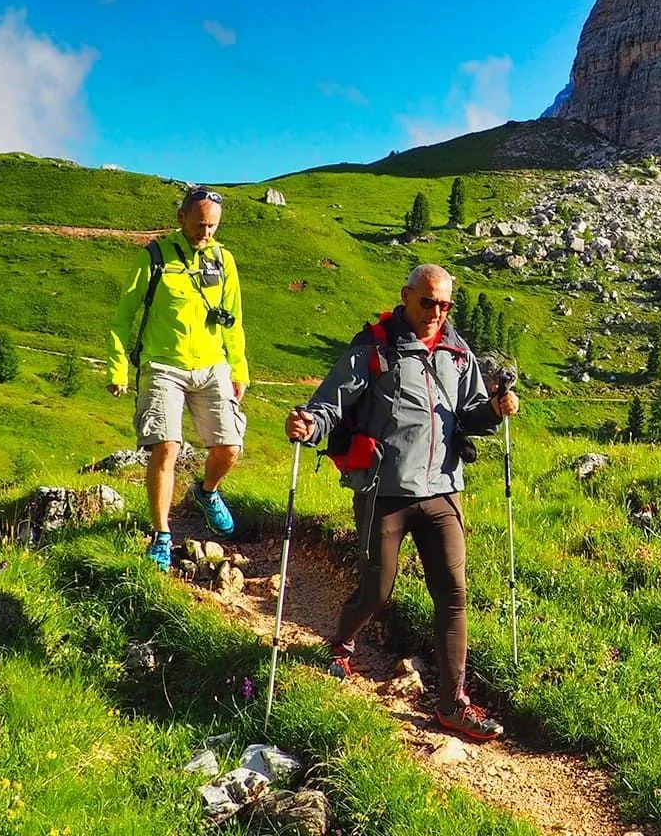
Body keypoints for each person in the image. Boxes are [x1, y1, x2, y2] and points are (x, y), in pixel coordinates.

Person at [285, 264, 519, 741]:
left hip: (441, 492)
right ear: (406, 296)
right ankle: (342, 641)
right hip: (383, 492)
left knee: (453, 595)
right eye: (429, 301)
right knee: (378, 590)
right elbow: (332, 404)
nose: (437, 312)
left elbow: (470, 414)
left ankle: (453, 703)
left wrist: (494, 410)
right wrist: (309, 425)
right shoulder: (375, 348)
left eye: (446, 304)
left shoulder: (457, 353)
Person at [107, 187, 249, 569]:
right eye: (200, 224)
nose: (206, 233)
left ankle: (206, 492)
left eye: (213, 226)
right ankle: (161, 534)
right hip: (162, 365)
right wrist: (118, 366)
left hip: (211, 365)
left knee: (229, 447)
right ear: (181, 218)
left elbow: (232, 319)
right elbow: (124, 317)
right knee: (166, 446)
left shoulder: (224, 260)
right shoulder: (153, 257)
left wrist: (239, 369)